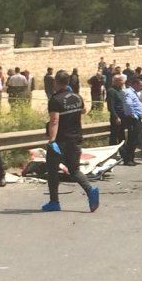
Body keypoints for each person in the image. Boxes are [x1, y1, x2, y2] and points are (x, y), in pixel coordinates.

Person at [43, 70, 99, 212]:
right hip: (75, 139)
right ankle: (90, 190)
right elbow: (84, 110)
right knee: (74, 170)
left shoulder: (55, 100)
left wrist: (51, 141)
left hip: (60, 141)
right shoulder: (77, 96)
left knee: (52, 170)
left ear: (56, 82)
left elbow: (54, 121)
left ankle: (54, 202)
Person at [119, 76, 142, 166]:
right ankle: (128, 159)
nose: (141, 87)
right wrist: (134, 115)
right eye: (140, 85)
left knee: (135, 140)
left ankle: (131, 158)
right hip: (133, 119)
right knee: (132, 140)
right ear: (135, 84)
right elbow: (128, 104)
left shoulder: (134, 92)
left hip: (136, 118)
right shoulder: (129, 92)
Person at [106, 74, 125, 145]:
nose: (123, 82)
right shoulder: (111, 91)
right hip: (116, 117)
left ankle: (122, 151)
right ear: (115, 81)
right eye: (121, 80)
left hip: (123, 116)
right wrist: (116, 117)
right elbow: (110, 106)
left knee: (121, 135)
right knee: (114, 135)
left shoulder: (121, 91)